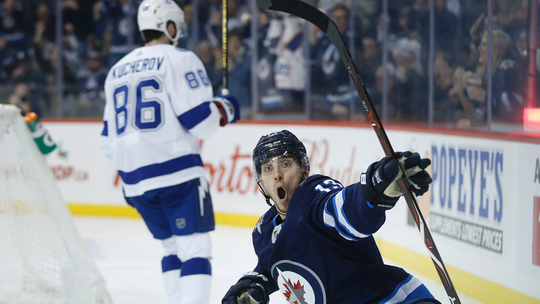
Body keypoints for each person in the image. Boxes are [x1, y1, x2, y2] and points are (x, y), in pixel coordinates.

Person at [99, 1, 240, 303]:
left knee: (171, 249)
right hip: (177, 174)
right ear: (170, 26)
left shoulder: (115, 71)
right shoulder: (179, 58)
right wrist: (225, 107)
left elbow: (107, 143)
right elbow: (200, 122)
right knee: (196, 250)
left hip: (134, 181)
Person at [222, 130, 441, 304]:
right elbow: (277, 263)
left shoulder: (313, 195)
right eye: (268, 167)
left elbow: (345, 210)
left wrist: (375, 188)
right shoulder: (263, 231)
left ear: (304, 171)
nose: (277, 174)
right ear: (261, 183)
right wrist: (258, 282)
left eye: (286, 164)